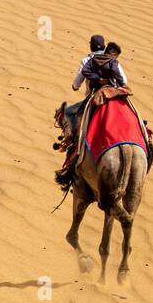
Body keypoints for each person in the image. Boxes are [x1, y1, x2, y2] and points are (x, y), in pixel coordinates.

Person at [54, 36, 130, 189]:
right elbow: (124, 79)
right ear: (104, 47)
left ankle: (72, 155)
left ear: (91, 47)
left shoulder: (87, 60)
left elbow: (77, 82)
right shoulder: (113, 59)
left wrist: (76, 86)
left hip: (94, 98)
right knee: (133, 115)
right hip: (115, 95)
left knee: (69, 115)